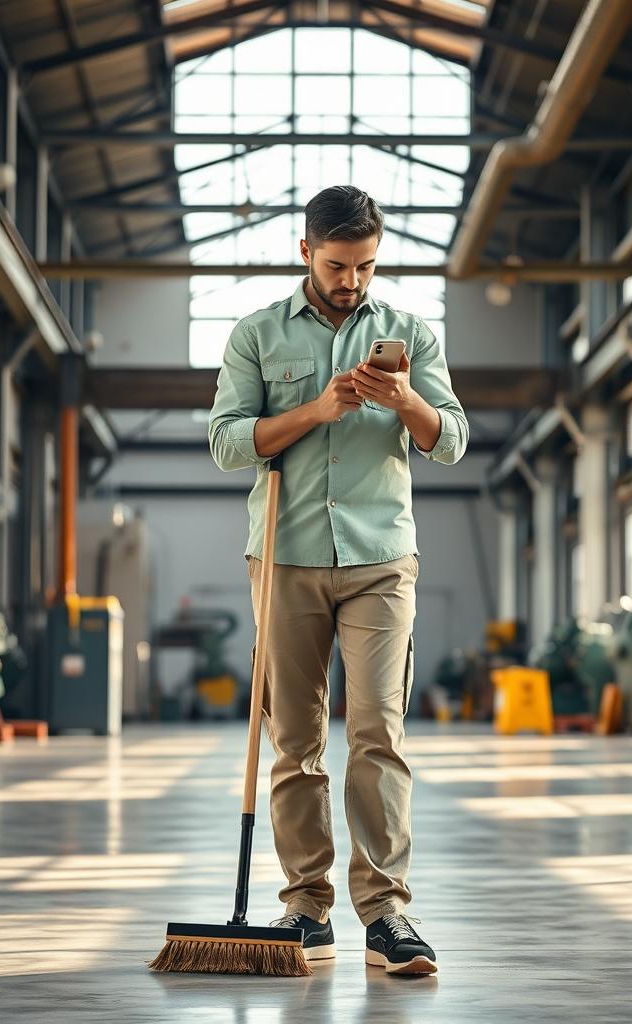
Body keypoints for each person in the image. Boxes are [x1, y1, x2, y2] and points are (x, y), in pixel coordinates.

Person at [208, 185, 468, 976]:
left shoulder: (409, 334)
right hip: (283, 557)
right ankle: (305, 906)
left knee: (377, 732)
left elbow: (451, 440)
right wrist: (316, 411)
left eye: (366, 265)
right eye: (337, 264)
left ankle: (386, 913)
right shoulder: (256, 335)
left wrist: (407, 400)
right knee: (294, 741)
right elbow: (226, 444)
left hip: (380, 559)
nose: (352, 280)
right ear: (305, 253)